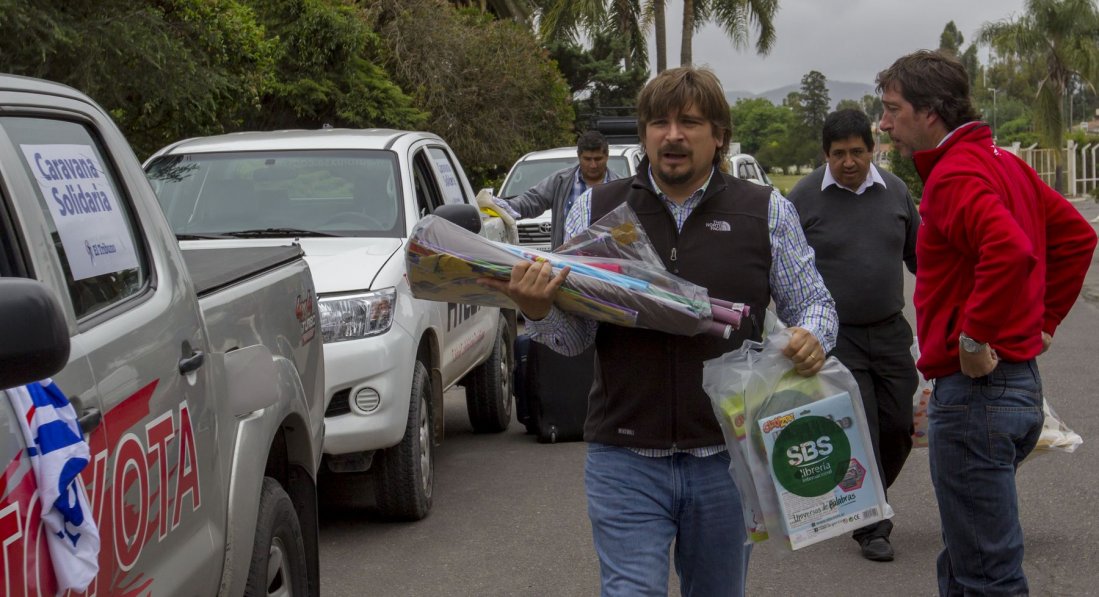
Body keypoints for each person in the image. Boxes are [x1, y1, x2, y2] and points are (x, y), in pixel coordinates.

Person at [481, 66, 838, 596]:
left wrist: (811, 334)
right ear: (645, 133)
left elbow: (814, 302)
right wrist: (537, 312)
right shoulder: (597, 209)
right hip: (623, 458)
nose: (672, 134)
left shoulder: (764, 211)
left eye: (690, 122)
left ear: (719, 135)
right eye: (659, 122)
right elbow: (576, 338)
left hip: (726, 457)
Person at [876, 50, 1097, 595]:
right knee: (963, 559)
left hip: (978, 396)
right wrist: (1042, 321)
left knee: (988, 575)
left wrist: (973, 336)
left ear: (929, 112)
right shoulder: (1003, 161)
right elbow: (1075, 237)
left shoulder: (955, 174)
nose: (885, 124)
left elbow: (1009, 248)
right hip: (1013, 389)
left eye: (892, 109)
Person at [786, 108, 920, 563]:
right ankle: (872, 525)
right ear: (825, 154)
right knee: (861, 425)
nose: (848, 162)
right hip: (835, 338)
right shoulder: (802, 199)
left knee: (901, 425)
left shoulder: (896, 192)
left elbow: (921, 259)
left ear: (872, 149)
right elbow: (781, 270)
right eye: (838, 154)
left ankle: (866, 496)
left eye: (857, 152)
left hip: (889, 333)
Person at [494, 130, 618, 249]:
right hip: (568, 264)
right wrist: (501, 206)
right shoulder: (561, 181)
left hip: (607, 265)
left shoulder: (619, 186)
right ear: (579, 156)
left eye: (598, 159)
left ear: (607, 156)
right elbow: (532, 200)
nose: (593, 165)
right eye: (587, 159)